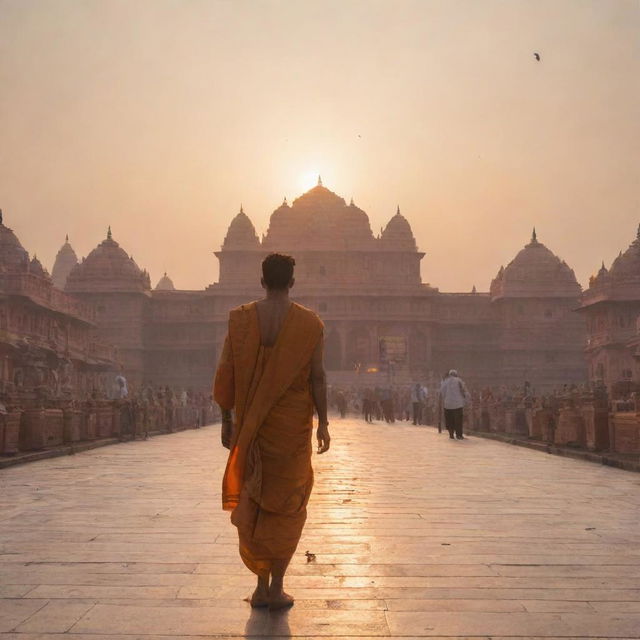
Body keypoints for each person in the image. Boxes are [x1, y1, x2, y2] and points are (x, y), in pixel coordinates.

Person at [213, 253, 330, 611]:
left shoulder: (241, 320)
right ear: (292, 282)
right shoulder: (310, 324)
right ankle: (277, 585)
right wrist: (323, 422)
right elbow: (318, 377)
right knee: (289, 502)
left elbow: (226, 373)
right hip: (292, 428)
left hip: (252, 425)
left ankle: (261, 584)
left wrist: (227, 419)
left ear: (262, 281)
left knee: (256, 497)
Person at [439, 369, 470, 439]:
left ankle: (451, 434)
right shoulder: (459, 380)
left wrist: (446, 399)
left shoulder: (445, 381)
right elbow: (464, 390)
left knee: (449, 420)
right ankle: (459, 435)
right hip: (458, 404)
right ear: (456, 374)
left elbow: (442, 392)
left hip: (447, 405)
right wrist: (467, 400)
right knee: (458, 420)